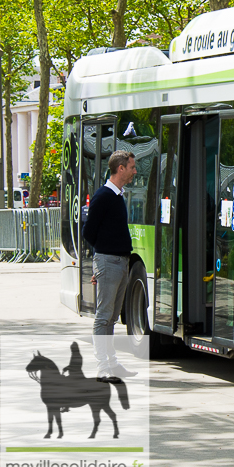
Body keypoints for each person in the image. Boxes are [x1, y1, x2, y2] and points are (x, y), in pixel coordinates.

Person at [82, 150, 138, 382]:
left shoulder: (117, 196)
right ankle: (103, 367)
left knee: (112, 317)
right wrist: (100, 261)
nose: (135, 171)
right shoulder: (103, 196)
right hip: (109, 261)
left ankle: (112, 364)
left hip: (120, 262)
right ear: (121, 168)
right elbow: (88, 232)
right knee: (103, 317)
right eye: (132, 167)